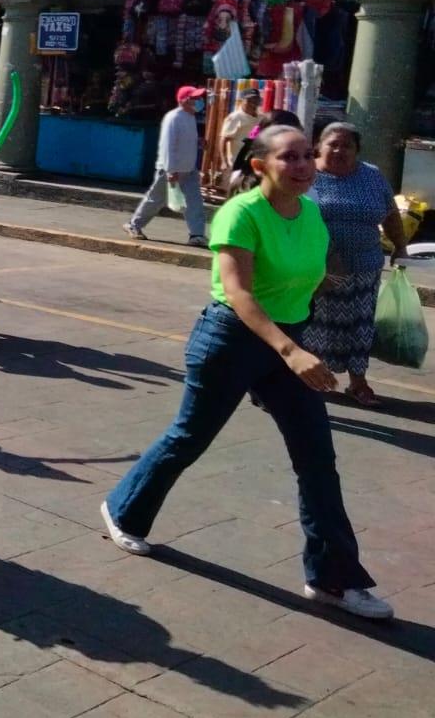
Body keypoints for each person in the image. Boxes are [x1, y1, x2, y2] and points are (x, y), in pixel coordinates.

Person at [101, 126, 394, 621]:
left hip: (288, 342)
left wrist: (320, 319)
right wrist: (291, 350)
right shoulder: (241, 213)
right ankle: (123, 509)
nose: (303, 165)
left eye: (307, 156)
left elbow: (312, 278)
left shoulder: (311, 213)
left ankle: (333, 578)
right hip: (231, 341)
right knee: (188, 437)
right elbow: (239, 293)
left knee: (317, 460)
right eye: (289, 157)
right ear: (260, 166)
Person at [300, 123, 407, 406]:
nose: (339, 150)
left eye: (347, 145)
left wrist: (400, 245)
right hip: (316, 269)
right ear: (319, 146)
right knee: (315, 327)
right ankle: (310, 380)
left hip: (364, 267)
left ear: (357, 150)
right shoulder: (305, 174)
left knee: (360, 328)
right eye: (333, 144)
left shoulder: (371, 176)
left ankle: (358, 383)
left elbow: (390, 214)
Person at [125, 86, 207, 246]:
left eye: (199, 98)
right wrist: (171, 170)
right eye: (195, 98)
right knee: (155, 200)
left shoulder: (190, 117)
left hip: (188, 169)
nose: (199, 101)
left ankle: (197, 235)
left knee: (195, 202)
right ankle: (133, 225)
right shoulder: (174, 118)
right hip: (171, 169)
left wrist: (198, 142)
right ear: (184, 100)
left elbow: (183, 140)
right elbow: (168, 146)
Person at [221, 88, 262, 171]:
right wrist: (224, 161)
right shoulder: (235, 117)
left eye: (256, 101)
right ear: (242, 101)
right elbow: (224, 139)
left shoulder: (260, 118)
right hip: (237, 161)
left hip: (253, 161)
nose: (253, 104)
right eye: (249, 101)